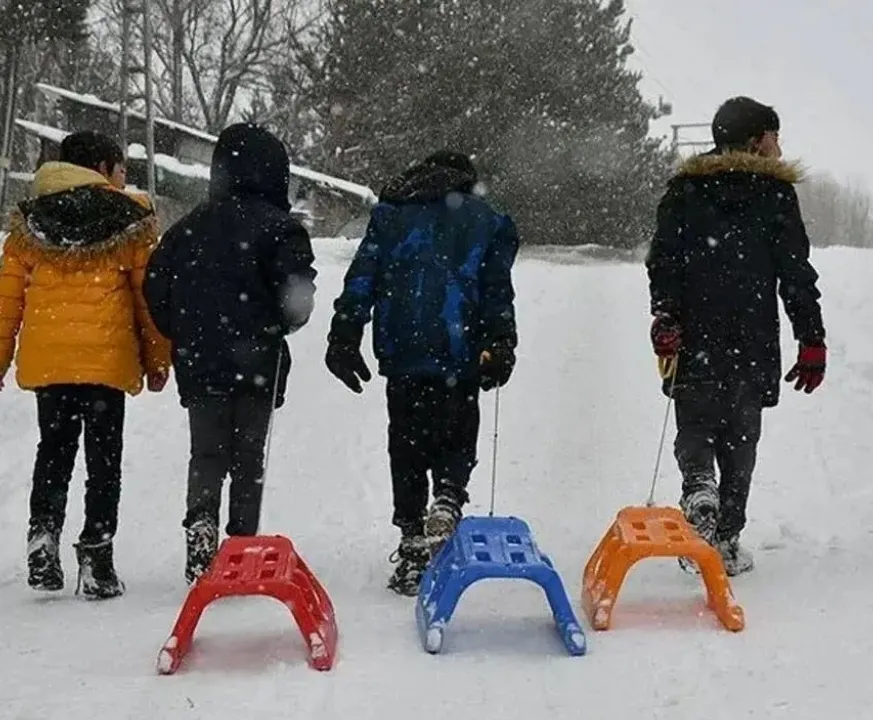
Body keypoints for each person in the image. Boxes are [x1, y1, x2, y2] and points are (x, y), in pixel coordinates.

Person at [645, 96, 826, 576]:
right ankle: (724, 538)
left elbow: (662, 260)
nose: (779, 146)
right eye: (774, 136)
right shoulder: (775, 196)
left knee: (697, 423)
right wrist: (811, 338)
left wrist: (666, 314)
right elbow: (796, 274)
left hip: (696, 335)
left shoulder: (685, 190)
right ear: (754, 140)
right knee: (741, 438)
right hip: (752, 337)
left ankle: (699, 485)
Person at [325, 150, 519, 596]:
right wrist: (500, 342)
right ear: (465, 181)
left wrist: (345, 332)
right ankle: (448, 498)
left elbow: (363, 277)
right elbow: (495, 291)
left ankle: (412, 542)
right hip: (461, 347)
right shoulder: (484, 219)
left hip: (404, 347)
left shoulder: (392, 215)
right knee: (458, 430)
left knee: (407, 442)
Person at [0, 130, 171, 599]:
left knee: (53, 452)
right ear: (101, 167)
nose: (124, 178)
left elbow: (6, 302)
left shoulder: (29, 224)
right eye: (120, 169)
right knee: (103, 461)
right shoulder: (130, 219)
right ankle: (97, 559)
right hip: (105, 363)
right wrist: (158, 359)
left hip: (50, 362)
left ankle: (43, 536)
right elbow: (147, 298)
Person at [143, 123, 316, 584]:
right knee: (247, 458)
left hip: (200, 362)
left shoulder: (186, 229)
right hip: (258, 361)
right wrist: (280, 323)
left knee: (206, 453)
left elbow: (156, 291)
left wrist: (182, 330)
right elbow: (297, 304)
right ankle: (240, 544)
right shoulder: (280, 229)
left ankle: (200, 527)